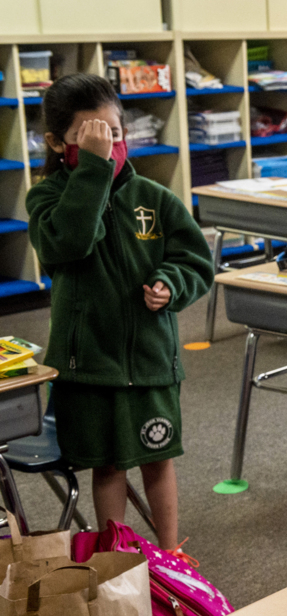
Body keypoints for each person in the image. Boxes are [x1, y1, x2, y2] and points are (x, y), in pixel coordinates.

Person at [26, 73, 214, 564]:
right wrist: (90, 171)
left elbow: (196, 260)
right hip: (87, 364)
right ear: (55, 142)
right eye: (88, 138)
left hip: (150, 359)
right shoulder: (46, 199)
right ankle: (117, 559)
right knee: (107, 466)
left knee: (157, 457)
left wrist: (172, 283)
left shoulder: (153, 197)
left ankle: (170, 553)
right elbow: (69, 242)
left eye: (112, 134)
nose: (105, 147)